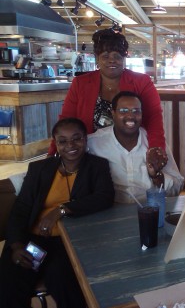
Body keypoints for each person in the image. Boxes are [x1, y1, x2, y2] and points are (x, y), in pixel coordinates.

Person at [0, 118, 115, 308]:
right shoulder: (39, 169)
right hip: (34, 241)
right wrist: (16, 245)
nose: (70, 145)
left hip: (67, 242)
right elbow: (21, 210)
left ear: (85, 139)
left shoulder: (97, 166)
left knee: (64, 281)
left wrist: (60, 210)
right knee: (11, 284)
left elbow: (104, 197)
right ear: (56, 143)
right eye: (63, 141)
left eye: (76, 139)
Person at [48, 28, 167, 168]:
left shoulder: (142, 82)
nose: (112, 60)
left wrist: (156, 148)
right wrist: (52, 155)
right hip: (91, 155)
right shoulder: (80, 83)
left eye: (117, 56)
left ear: (124, 58)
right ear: (97, 58)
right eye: (105, 56)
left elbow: (154, 118)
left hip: (132, 154)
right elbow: (66, 122)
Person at [88, 91, 184, 203]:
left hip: (149, 210)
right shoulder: (94, 143)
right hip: (108, 212)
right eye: (123, 111)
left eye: (136, 111)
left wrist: (156, 176)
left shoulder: (153, 144)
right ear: (112, 113)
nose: (130, 116)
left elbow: (178, 186)